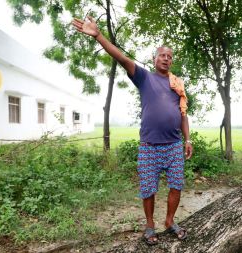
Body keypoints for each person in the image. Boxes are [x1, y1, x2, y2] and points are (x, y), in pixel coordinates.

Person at [72, 16, 193, 245]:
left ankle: (169, 221)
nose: (166, 59)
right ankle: (149, 226)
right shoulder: (144, 78)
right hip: (149, 146)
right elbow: (121, 57)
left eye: (169, 56)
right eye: (162, 55)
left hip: (174, 145)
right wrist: (98, 35)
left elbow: (183, 115)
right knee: (148, 188)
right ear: (154, 58)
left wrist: (188, 140)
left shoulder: (177, 85)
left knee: (176, 185)